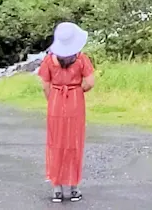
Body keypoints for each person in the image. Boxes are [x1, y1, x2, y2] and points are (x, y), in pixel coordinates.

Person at [38, 22, 96, 203]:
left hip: (55, 101)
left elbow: (45, 86)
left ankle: (56, 188)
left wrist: (55, 98)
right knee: (74, 142)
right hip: (75, 101)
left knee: (55, 142)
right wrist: (77, 89)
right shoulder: (81, 59)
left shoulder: (48, 60)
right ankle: (73, 188)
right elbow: (89, 82)